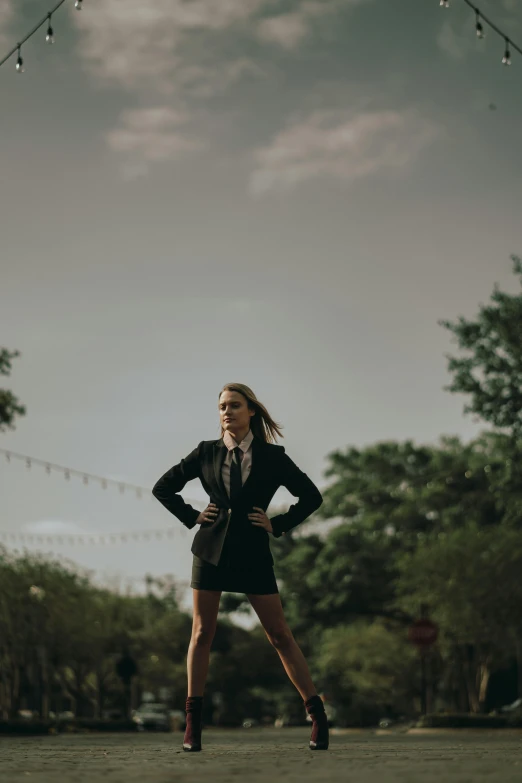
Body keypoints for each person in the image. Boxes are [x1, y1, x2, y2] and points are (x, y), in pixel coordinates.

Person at [152, 382, 328, 752]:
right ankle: (193, 725)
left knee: (279, 634)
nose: (226, 411)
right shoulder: (205, 453)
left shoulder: (274, 457)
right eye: (221, 407)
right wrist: (193, 515)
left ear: (251, 411)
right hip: (210, 550)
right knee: (202, 633)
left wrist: (277, 523)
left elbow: (312, 496)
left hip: (252, 552)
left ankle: (317, 716)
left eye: (234, 405)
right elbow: (163, 488)